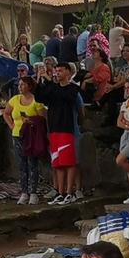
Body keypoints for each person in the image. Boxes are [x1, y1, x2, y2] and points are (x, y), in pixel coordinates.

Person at [35, 63, 85, 200]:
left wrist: (51, 81)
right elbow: (40, 97)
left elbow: (65, 96)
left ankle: (71, 191)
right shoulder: (52, 88)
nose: (57, 73)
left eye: (60, 71)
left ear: (68, 73)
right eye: (56, 71)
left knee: (69, 162)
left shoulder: (73, 88)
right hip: (54, 129)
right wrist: (40, 80)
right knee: (57, 163)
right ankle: (60, 191)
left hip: (67, 129)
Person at [4, 73, 48, 201]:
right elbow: (6, 113)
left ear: (29, 86)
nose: (20, 87)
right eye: (19, 85)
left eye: (23, 84)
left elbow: (42, 118)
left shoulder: (36, 101)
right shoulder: (15, 100)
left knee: (32, 163)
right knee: (22, 164)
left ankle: (33, 191)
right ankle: (24, 191)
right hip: (18, 134)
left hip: (32, 135)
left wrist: (32, 121)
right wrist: (11, 125)